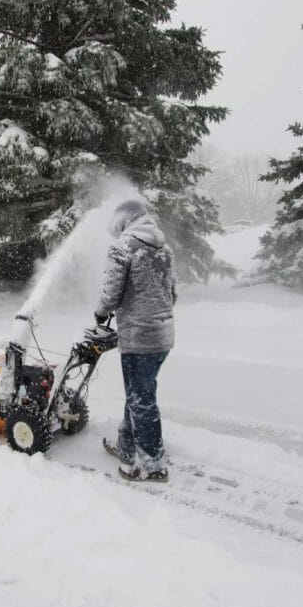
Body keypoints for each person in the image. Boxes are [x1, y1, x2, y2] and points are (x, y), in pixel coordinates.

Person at [94, 198, 177, 483]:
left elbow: (110, 292)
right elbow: (172, 294)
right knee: (138, 393)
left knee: (142, 399)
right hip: (163, 336)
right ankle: (128, 447)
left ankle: (152, 465)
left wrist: (100, 313)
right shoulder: (164, 249)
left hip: (139, 337)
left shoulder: (123, 247)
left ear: (123, 221)